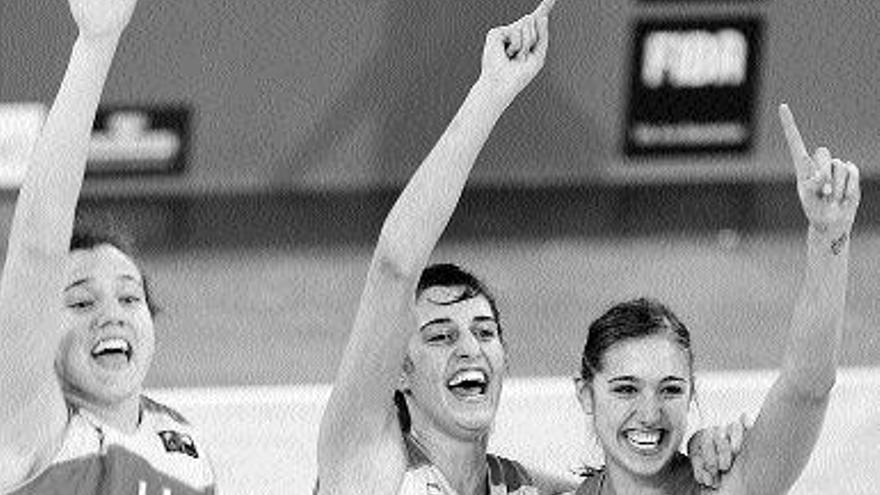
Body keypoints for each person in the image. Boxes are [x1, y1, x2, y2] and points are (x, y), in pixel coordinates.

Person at [315, 0, 745, 492]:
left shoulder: (527, 489)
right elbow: (396, 264)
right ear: (400, 373)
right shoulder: (370, 461)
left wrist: (691, 458)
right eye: (439, 335)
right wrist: (491, 92)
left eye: (484, 332)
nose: (469, 348)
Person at [567, 104, 860, 494]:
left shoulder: (727, 485)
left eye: (670, 389)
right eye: (625, 389)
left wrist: (828, 237)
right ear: (586, 394)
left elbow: (807, 387)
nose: (650, 414)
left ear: (692, 393)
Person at [0, 0, 215, 493]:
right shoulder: (29, 426)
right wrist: (95, 44)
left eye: (129, 296)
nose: (112, 314)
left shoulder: (185, 445)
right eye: (79, 300)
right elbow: (38, 247)